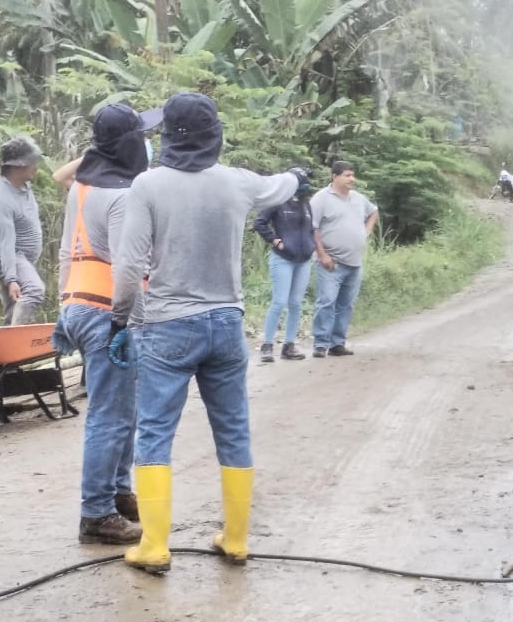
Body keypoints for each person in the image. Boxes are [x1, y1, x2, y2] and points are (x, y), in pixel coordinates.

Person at [111, 93, 301, 574]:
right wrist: (299, 176)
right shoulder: (238, 182)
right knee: (233, 429)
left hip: (167, 327)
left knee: (155, 432)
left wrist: (120, 319)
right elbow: (281, 185)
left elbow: (129, 265)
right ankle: (235, 539)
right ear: (214, 133)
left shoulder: (148, 185)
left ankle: (155, 546)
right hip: (226, 324)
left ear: (167, 136)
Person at [55, 105, 155, 546]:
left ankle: (117, 491)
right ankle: (96, 513)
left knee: (121, 409)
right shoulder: (121, 196)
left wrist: (64, 306)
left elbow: (65, 251)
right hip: (106, 310)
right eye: (141, 136)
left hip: (80, 304)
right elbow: (127, 267)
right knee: (110, 416)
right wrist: (125, 320)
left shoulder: (82, 187)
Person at [310, 161, 379, 358]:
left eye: (352, 175)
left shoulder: (358, 198)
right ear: (335, 176)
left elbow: (374, 211)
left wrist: (366, 231)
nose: (352, 179)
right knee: (326, 302)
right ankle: (320, 344)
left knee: (346, 305)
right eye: (347, 175)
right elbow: (312, 228)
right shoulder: (321, 198)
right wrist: (322, 255)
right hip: (331, 262)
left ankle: (337, 344)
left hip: (354, 263)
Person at [253, 168, 317, 362]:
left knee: (296, 303)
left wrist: (312, 246)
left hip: (304, 260)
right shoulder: (277, 200)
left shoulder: (306, 204)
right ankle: (267, 345)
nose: (306, 184)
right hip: (283, 258)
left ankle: (289, 346)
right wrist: (275, 240)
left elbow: (311, 229)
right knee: (279, 301)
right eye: (303, 181)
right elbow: (260, 222)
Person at [0, 136, 45, 324]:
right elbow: (6, 243)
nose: (36, 167)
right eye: (32, 163)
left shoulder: (23, 186)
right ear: (19, 166)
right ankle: (16, 335)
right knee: (34, 290)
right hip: (8, 255)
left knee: (14, 305)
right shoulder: (1, 200)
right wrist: (11, 278)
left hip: (20, 258)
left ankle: (7, 337)